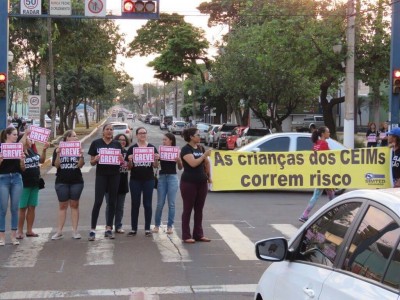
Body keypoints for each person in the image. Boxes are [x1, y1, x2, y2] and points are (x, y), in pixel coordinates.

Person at [87, 124, 123, 241]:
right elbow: (91, 162)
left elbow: (121, 162)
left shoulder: (117, 144)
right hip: (101, 175)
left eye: (111, 130)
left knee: (112, 202)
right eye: (107, 129)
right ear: (103, 132)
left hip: (114, 175)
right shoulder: (96, 143)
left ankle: (108, 228)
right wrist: (95, 159)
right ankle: (92, 229)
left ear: (113, 132)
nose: (109, 131)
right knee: (98, 202)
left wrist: (122, 160)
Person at [180, 127, 212, 243]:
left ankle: (198, 234)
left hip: (201, 182)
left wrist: (208, 176)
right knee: (188, 209)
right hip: (189, 182)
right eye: (197, 135)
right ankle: (186, 235)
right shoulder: (185, 149)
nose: (200, 136)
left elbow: (206, 162)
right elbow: (193, 163)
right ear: (191, 137)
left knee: (199, 209)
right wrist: (204, 156)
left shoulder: (200, 147)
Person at [51, 130, 85, 240]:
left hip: (76, 180)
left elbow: (80, 166)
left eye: (76, 136)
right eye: (74, 136)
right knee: (62, 205)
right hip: (62, 181)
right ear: (67, 138)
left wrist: (81, 155)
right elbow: (56, 165)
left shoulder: (78, 149)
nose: (76, 138)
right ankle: (59, 231)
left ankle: (75, 231)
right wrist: (58, 153)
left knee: (74, 205)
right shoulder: (58, 149)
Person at [126, 127, 159, 237]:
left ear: (146, 134)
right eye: (140, 133)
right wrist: (130, 160)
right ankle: (134, 228)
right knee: (135, 204)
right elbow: (129, 168)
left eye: (144, 133)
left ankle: (147, 229)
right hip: (135, 180)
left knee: (148, 204)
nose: (142, 135)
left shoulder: (152, 148)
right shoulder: (132, 148)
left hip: (148, 180)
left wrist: (156, 159)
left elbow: (155, 166)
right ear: (136, 135)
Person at [16, 130, 49, 239]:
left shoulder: (31, 151)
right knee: (22, 208)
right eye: (29, 139)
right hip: (24, 184)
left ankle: (29, 230)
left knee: (32, 207)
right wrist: (25, 133)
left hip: (34, 183)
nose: (31, 140)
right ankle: (19, 231)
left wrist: (44, 150)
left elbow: (42, 160)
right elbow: (20, 145)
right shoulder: (18, 151)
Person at [299, 126, 335, 223]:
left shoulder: (316, 144)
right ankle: (304, 214)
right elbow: (328, 159)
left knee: (331, 194)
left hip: (319, 173)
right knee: (318, 195)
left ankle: (334, 213)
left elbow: (313, 158)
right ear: (323, 134)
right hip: (324, 174)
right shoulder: (324, 144)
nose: (329, 133)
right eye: (328, 132)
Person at [153, 133, 183, 234]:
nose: (163, 141)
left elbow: (180, 167)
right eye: (163, 140)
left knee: (172, 204)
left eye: (165, 140)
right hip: (162, 177)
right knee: (160, 204)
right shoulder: (161, 150)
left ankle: (170, 226)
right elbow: (155, 166)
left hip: (172, 177)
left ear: (171, 140)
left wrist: (179, 161)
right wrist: (156, 159)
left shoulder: (176, 151)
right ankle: (157, 225)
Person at [0, 127, 26, 246]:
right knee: (3, 208)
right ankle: (2, 236)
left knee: (15, 208)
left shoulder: (18, 148)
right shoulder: (1, 148)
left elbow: (23, 169)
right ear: (7, 135)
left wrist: (22, 160)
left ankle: (13, 236)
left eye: (17, 135)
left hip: (16, 178)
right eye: (15, 135)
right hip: (3, 178)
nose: (16, 137)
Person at [105, 134, 130, 234]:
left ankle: (118, 225)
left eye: (124, 140)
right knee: (110, 205)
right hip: (110, 182)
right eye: (119, 140)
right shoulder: (110, 151)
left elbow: (129, 167)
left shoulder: (127, 153)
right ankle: (109, 226)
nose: (122, 142)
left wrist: (127, 161)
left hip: (122, 182)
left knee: (120, 207)